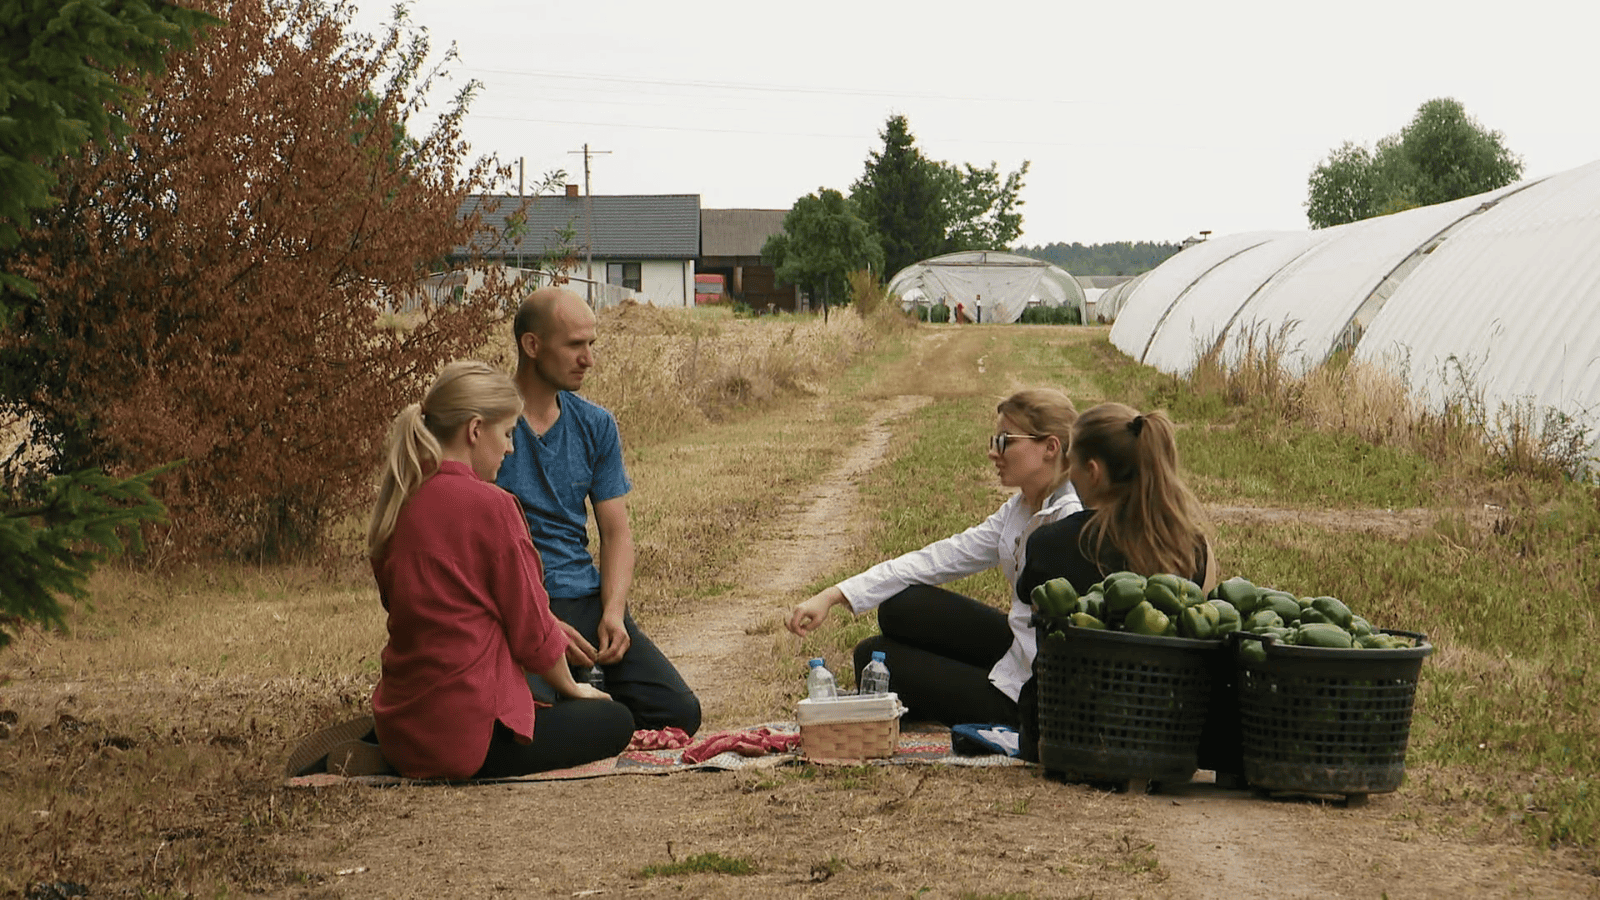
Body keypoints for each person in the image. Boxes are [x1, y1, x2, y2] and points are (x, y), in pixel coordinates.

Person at [365, 360, 635, 780]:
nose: (510, 449)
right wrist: (572, 688)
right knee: (615, 721)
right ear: (475, 430)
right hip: (467, 740)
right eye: (507, 434)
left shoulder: (401, 500)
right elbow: (530, 630)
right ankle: (443, 747)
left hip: (399, 719)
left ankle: (391, 743)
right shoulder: (493, 506)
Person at [785, 389, 1082, 736]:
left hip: (1033, 693)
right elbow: (939, 558)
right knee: (901, 606)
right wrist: (834, 594)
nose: (992, 452)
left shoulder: (1071, 521)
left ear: (1051, 447)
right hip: (1019, 648)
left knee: (875, 657)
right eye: (994, 439)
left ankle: (989, 710)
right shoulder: (1020, 509)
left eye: (1004, 441)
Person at [497, 287, 702, 736]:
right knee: (529, 716)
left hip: (584, 600)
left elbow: (617, 534)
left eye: (592, 344)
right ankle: (589, 707)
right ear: (532, 346)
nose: (588, 358)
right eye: (575, 345)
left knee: (680, 713)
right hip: (517, 605)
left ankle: (594, 700)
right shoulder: (487, 424)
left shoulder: (596, 424)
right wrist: (538, 622)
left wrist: (613, 611)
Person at [1016, 402, 1219, 604]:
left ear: (1093, 472)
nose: (1069, 474)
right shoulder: (1193, 550)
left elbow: (1031, 608)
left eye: (1071, 463)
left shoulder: (1048, 544)